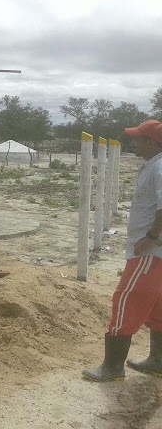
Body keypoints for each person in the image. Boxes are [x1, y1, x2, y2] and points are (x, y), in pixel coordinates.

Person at [83, 120, 162, 382]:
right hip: (154, 250)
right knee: (157, 307)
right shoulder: (154, 164)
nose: (133, 143)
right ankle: (158, 361)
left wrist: (151, 236)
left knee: (126, 300)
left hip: (150, 251)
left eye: (138, 139)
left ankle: (112, 368)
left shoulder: (160, 166)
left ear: (151, 142)